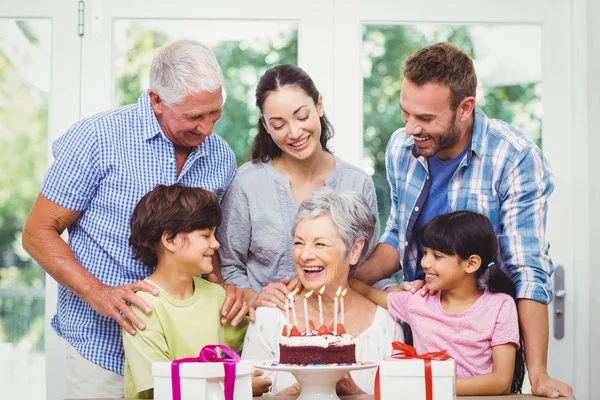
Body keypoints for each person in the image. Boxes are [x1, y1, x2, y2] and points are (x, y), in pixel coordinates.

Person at [21, 40, 249, 398]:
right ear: (157, 100)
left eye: (214, 114)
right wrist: (98, 293)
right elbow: (37, 232)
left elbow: (208, 241)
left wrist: (224, 290)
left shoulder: (220, 157)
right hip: (102, 347)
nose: (207, 129)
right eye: (193, 117)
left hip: (184, 354)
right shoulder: (97, 138)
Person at [353, 42, 574, 398]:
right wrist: (344, 277)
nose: (411, 128)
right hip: (421, 332)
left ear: (465, 108)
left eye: (425, 118)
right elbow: (398, 237)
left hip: (483, 349)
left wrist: (539, 373)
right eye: (405, 113)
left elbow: (527, 268)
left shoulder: (514, 158)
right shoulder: (400, 148)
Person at [216, 64, 396, 311]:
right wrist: (253, 297)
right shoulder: (247, 184)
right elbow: (229, 266)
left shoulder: (357, 182)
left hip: (340, 326)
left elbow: (366, 265)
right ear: (265, 126)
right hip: (267, 327)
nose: (294, 132)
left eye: (302, 117)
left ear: (319, 105)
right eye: (278, 125)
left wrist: (395, 293)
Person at [242, 188, 405, 396]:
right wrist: (302, 389)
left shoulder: (386, 327)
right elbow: (246, 394)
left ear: (354, 250)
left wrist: (353, 393)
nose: (305, 255)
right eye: (299, 243)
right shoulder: (269, 317)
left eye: (320, 244)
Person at [353, 211, 525, 395]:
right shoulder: (417, 302)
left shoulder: (500, 306)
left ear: (471, 263)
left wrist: (430, 388)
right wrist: (343, 277)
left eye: (437, 256)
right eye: (425, 252)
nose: (425, 262)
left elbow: (501, 382)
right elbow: (368, 291)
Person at [123, 184, 271, 398]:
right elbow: (160, 389)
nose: (216, 244)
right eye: (206, 235)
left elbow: (257, 342)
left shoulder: (218, 296)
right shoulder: (143, 308)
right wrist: (238, 387)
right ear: (170, 239)